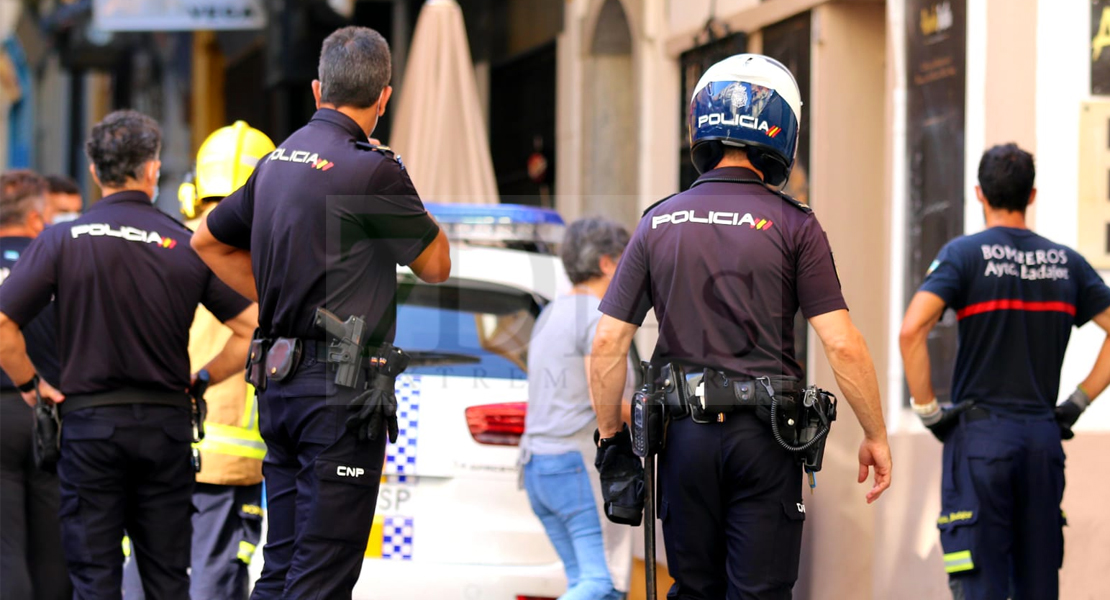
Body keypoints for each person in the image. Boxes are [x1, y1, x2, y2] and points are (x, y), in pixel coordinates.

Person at [587, 54, 893, 599]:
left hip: (682, 443)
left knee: (693, 589)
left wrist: (612, 441)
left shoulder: (659, 221)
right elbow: (842, 344)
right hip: (764, 441)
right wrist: (874, 434)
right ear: (783, 128)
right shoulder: (795, 224)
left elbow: (608, 342)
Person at [191, 26, 451, 600]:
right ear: (383, 97)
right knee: (322, 576)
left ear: (316, 89)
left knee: (281, 567)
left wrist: (274, 293)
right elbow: (437, 265)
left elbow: (206, 243)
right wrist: (400, 184)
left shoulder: (277, 161)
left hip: (279, 389)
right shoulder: (374, 171)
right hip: (339, 395)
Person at [0, 109, 258, 599]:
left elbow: (3, 325)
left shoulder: (60, 241)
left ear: (95, 172)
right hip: (165, 429)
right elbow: (251, 328)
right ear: (153, 169)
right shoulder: (186, 246)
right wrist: (201, 379)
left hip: (89, 428)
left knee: (94, 578)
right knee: (166, 579)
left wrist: (32, 387)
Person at [899, 143, 1110, 600]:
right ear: (1031, 196)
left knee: (979, 586)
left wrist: (929, 410)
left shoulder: (963, 256)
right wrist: (1078, 400)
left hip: (981, 444)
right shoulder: (1066, 263)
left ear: (979, 193)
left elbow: (911, 330)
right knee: (1038, 585)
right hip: (1041, 440)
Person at [122, 121, 275, 600]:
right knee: (214, 578)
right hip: (231, 463)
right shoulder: (271, 260)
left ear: (191, 191)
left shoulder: (161, 247)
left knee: (142, 573)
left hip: (152, 445)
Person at [522, 217, 634, 600]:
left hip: (538, 468)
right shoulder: (596, 315)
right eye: (627, 261)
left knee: (588, 586)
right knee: (600, 584)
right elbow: (599, 391)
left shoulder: (550, 313)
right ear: (606, 263)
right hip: (574, 466)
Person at [0, 170, 71, 600]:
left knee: (6, 548)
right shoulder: (56, 260)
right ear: (35, 219)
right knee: (54, 548)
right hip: (53, 413)